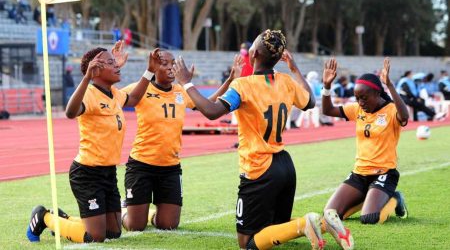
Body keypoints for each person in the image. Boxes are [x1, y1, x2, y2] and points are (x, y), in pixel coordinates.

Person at [173, 29, 354, 250]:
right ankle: (326, 224)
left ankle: (307, 222)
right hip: (285, 165)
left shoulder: (243, 86)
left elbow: (211, 111)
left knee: (247, 243)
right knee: (274, 229)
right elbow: (309, 102)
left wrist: (186, 83)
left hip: (258, 168)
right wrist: (295, 68)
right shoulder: (286, 81)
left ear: (255, 53)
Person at [26, 40, 156, 243]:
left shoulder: (114, 93)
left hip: (108, 172)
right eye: (110, 62)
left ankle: (65, 219)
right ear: (95, 69)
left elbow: (135, 98)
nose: (117, 65)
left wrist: (149, 71)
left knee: (113, 233)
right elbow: (70, 112)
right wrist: (87, 78)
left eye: (115, 62)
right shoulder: (89, 93)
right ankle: (45, 217)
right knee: (95, 237)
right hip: (87, 173)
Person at [120, 51, 242, 231]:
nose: (170, 67)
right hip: (141, 165)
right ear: (154, 66)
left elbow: (207, 104)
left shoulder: (181, 91)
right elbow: (115, 98)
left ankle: (150, 213)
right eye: (164, 64)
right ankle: (122, 209)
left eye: (173, 63)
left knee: (168, 225)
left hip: (170, 167)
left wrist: (230, 80)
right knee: (135, 226)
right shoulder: (140, 88)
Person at [321, 58, 409, 226]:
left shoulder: (391, 111)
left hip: (384, 173)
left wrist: (389, 85)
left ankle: (395, 199)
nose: (361, 102)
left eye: (364, 98)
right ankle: (369, 196)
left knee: (369, 219)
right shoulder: (358, 109)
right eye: (357, 98)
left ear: (377, 93)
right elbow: (327, 110)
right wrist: (326, 86)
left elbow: (404, 116)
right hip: (359, 174)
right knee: (330, 216)